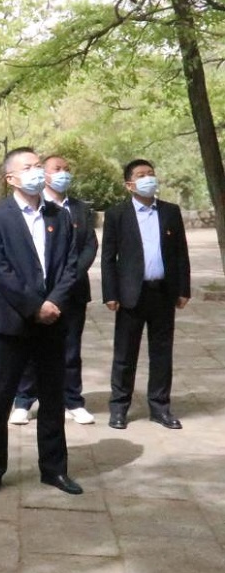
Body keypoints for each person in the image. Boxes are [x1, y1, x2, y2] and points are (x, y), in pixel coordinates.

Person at [0, 148, 82, 496]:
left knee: (52, 397)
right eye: (29, 167)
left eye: (39, 166)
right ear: (11, 178)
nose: (38, 172)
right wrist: (35, 306)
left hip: (53, 321)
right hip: (13, 322)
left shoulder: (59, 215)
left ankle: (54, 468)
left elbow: (70, 265)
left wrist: (54, 302)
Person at [101, 159, 191, 430]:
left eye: (151, 174)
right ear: (130, 184)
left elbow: (180, 253)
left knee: (162, 353)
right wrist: (110, 293)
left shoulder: (170, 211)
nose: (148, 179)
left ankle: (160, 407)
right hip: (131, 295)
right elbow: (108, 258)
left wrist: (183, 289)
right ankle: (119, 408)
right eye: (141, 175)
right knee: (125, 355)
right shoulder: (117, 214)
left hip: (163, 292)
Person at [10, 156, 99, 426]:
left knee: (71, 349)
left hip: (72, 291)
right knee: (29, 349)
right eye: (56, 169)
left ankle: (72, 400)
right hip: (35, 294)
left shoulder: (80, 209)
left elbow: (89, 246)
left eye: (67, 169)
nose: (63, 173)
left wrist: (67, 281)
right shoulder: (34, 207)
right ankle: (24, 400)